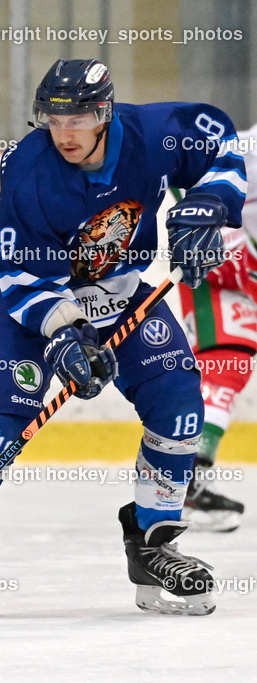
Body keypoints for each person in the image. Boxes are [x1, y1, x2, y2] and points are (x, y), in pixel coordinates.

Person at [0, 59, 245, 619]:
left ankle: (154, 544)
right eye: (53, 120)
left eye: (77, 119)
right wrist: (63, 337)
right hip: (27, 299)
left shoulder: (155, 134)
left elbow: (225, 142)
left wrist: (210, 204)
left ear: (104, 112)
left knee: (178, 404)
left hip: (119, 288)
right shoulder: (29, 167)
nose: (64, 133)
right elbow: (23, 276)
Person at [176, 123, 257, 532]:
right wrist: (218, 232)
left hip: (252, 281)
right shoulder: (250, 148)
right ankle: (183, 483)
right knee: (225, 368)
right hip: (222, 278)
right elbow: (190, 165)